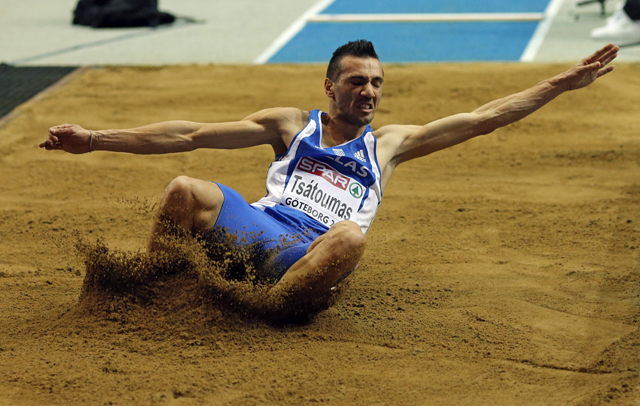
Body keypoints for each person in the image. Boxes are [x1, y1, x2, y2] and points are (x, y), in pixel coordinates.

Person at [40, 40, 619, 305]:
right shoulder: (291, 125)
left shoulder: (389, 145)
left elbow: (482, 119)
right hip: (260, 230)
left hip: (311, 255)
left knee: (350, 237)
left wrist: (560, 84)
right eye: (357, 81)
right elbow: (187, 136)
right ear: (330, 86)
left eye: (376, 83)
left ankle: (267, 309)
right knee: (185, 189)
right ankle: (152, 286)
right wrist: (94, 140)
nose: (369, 92)